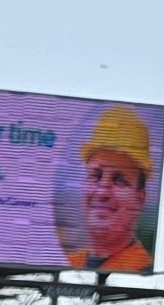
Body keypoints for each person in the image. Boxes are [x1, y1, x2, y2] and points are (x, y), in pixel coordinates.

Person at [63, 103, 158, 273]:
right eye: (96, 175)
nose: (102, 192)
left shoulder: (140, 267)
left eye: (120, 180)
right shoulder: (70, 263)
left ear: (139, 199)